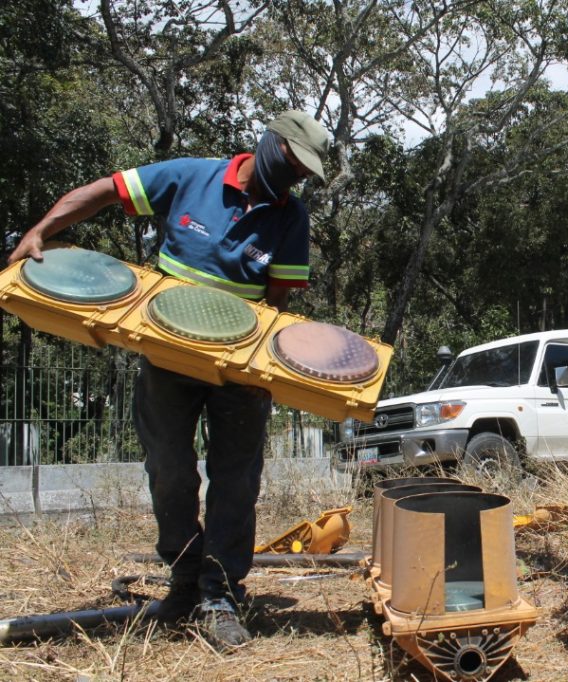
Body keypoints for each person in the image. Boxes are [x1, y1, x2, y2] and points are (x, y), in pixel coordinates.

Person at [6, 111, 330, 650]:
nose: (296, 177)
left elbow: (277, 302)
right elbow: (104, 191)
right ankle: (183, 580)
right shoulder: (191, 176)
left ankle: (220, 595)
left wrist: (260, 372)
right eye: (294, 164)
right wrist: (42, 230)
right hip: (167, 356)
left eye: (304, 172)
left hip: (239, 368)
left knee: (236, 481)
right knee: (170, 470)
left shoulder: (290, 217)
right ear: (271, 144)